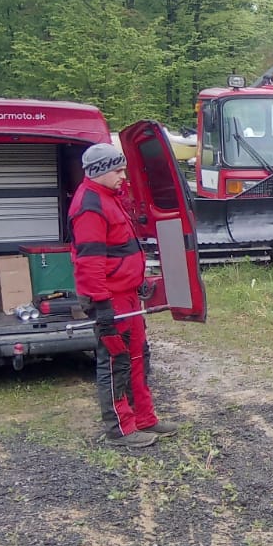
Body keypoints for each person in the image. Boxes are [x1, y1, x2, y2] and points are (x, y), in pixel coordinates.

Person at [69, 142, 178, 448]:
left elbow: (123, 248)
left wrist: (139, 280)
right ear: (100, 171)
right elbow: (89, 262)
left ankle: (144, 419)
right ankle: (119, 429)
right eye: (117, 169)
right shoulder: (90, 205)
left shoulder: (111, 197)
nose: (123, 175)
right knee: (117, 361)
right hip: (111, 300)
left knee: (138, 357)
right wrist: (101, 304)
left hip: (127, 295)